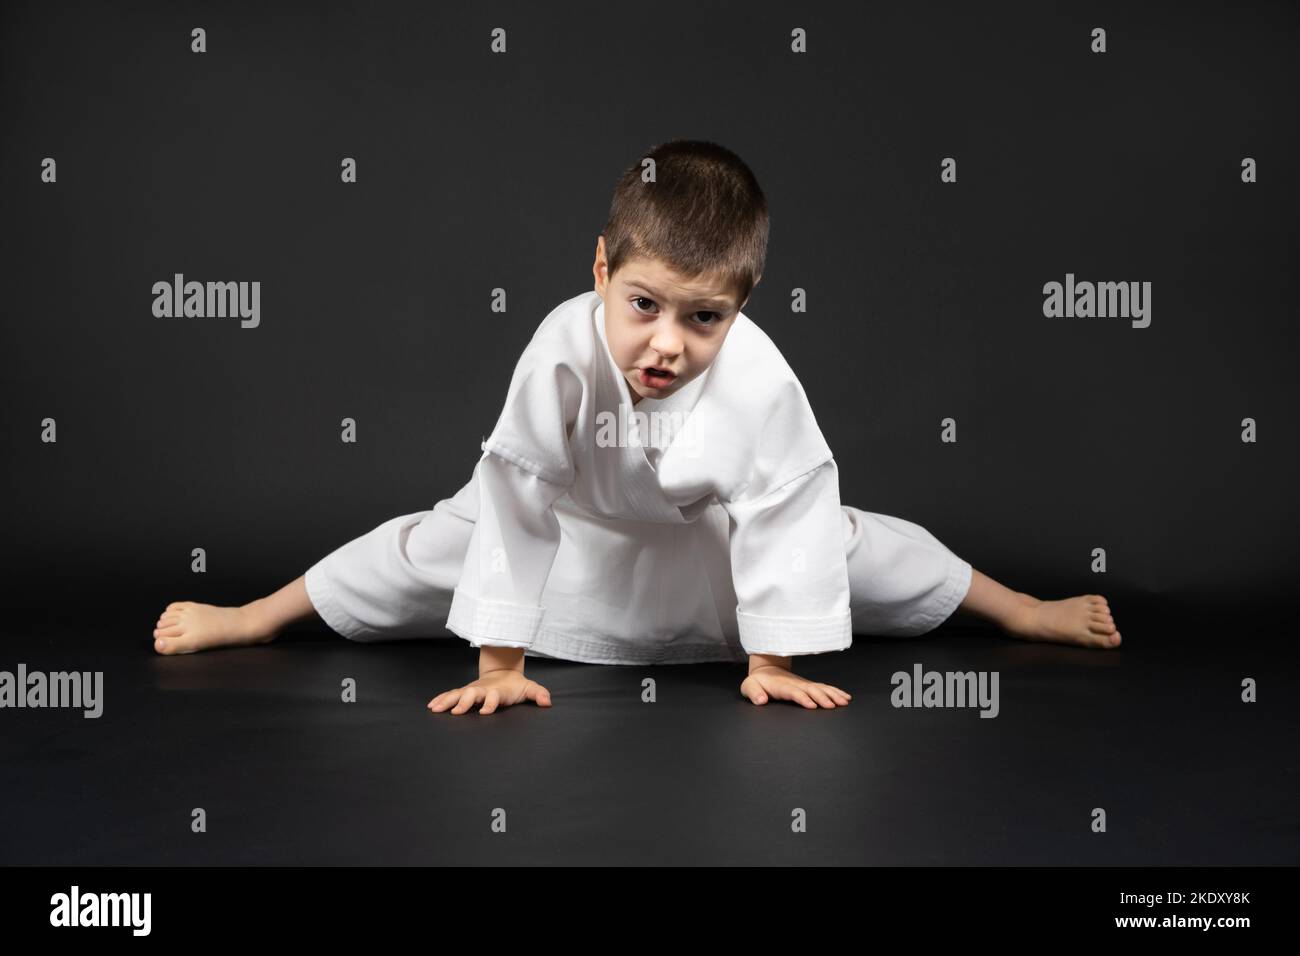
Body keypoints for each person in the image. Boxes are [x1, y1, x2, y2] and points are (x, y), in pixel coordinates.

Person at [152, 140, 1121, 714]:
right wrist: (500, 661)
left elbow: (788, 503)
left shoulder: (756, 373)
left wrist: (772, 658)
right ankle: (255, 615)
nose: (668, 344)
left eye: (704, 317)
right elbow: (519, 491)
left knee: (860, 543)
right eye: (646, 304)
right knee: (414, 546)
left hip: (704, 545)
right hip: (570, 528)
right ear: (601, 271)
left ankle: (1019, 609)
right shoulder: (561, 348)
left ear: (739, 306)